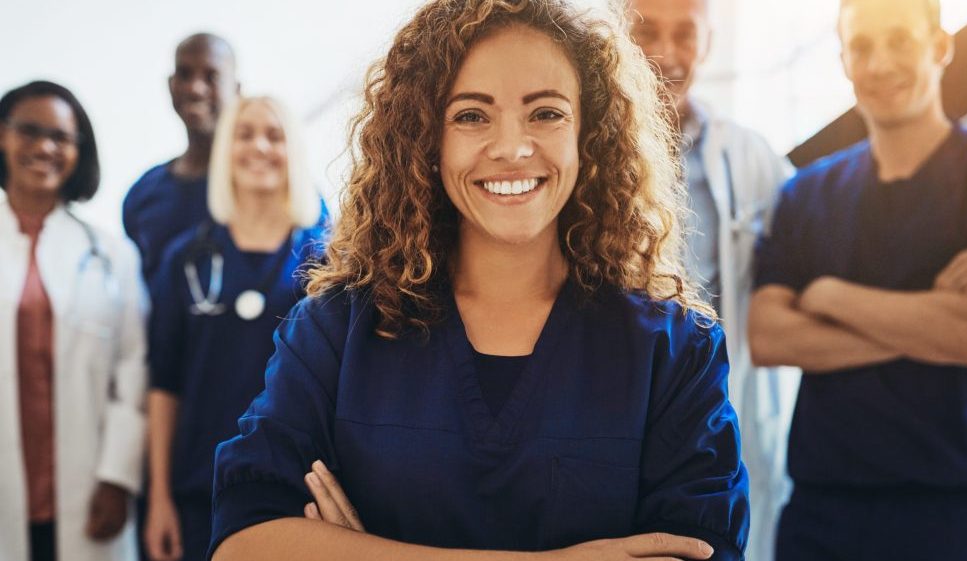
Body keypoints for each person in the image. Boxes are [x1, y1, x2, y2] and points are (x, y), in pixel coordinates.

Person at [209, 1, 749, 560]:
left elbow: (698, 549)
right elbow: (244, 542)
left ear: (590, 133)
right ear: (425, 139)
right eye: (471, 115)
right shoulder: (336, 331)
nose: (512, 149)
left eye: (546, 114)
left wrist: (358, 551)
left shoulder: (674, 349)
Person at [749, 0, 967, 558]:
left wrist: (828, 295)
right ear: (842, 60)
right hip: (823, 516)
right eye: (861, 46)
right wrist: (931, 317)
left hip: (961, 512)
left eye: (900, 41)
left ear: (940, 47)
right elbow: (769, 337)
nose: (879, 63)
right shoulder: (805, 193)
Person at [628, 1, 799, 558]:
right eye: (647, 32)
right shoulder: (572, 150)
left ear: (707, 44)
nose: (665, 54)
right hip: (621, 405)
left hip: (716, 415)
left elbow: (820, 249)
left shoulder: (749, 157)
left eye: (685, 36)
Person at [141, 96, 325, 561]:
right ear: (225, 149)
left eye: (274, 135)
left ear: (295, 152)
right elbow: (164, 384)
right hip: (195, 491)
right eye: (244, 134)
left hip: (293, 495)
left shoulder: (327, 262)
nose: (259, 147)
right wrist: (158, 497)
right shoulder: (185, 260)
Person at [0, 81, 148, 561]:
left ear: (78, 152)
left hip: (87, 490)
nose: (44, 146)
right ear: (3, 136)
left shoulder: (111, 254)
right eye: (29, 130)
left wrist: (118, 479)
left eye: (60, 137)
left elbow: (134, 368)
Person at [122, 33, 240, 282]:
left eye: (212, 76)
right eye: (184, 74)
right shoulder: (142, 195)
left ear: (237, 90)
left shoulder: (270, 186)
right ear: (170, 85)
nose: (195, 88)